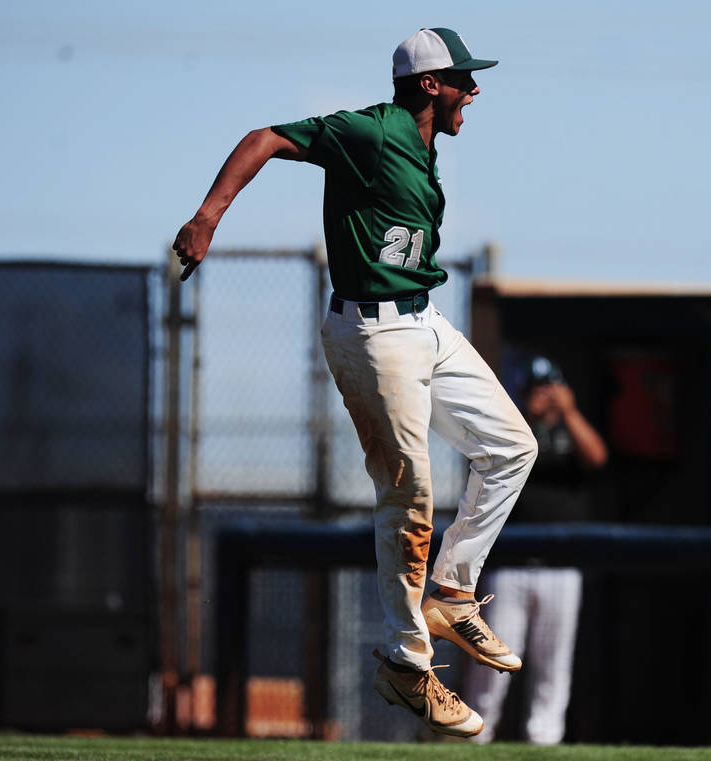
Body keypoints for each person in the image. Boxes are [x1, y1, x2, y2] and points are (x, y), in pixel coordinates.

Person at [171, 27, 538, 738]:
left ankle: (454, 591)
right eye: (464, 78)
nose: (475, 89)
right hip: (372, 331)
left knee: (511, 446)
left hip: (423, 320)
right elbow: (263, 137)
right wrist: (207, 216)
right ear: (430, 85)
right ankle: (406, 662)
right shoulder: (370, 130)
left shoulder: (427, 149)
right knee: (409, 491)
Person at [465, 356, 608, 745]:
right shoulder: (513, 426)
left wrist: (570, 412)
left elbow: (597, 458)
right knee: (492, 657)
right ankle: (477, 733)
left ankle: (543, 740)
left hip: (561, 567)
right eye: (536, 389)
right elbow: (492, 461)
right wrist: (529, 415)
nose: (545, 396)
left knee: (553, 664)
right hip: (511, 563)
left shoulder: (571, 428)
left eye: (550, 387)